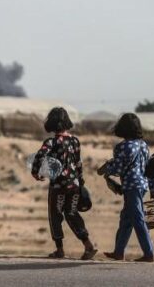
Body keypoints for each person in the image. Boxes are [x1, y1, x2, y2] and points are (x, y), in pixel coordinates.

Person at [32, 107, 97, 260]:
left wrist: (36, 172)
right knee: (72, 213)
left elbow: (40, 155)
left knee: (55, 215)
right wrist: (80, 181)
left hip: (58, 186)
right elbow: (78, 163)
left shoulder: (52, 142)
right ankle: (88, 245)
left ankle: (59, 249)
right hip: (74, 185)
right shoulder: (75, 141)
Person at [103, 113, 154, 263]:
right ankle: (118, 252)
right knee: (126, 219)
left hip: (131, 186)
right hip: (143, 185)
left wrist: (107, 169)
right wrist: (153, 189)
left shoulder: (123, 146)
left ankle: (149, 253)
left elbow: (118, 168)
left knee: (138, 219)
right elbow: (150, 169)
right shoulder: (144, 145)